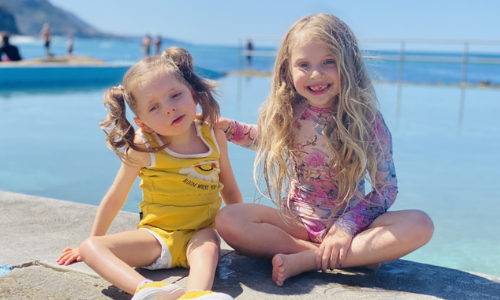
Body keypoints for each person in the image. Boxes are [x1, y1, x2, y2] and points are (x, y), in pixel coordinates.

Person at [215, 14, 434, 287]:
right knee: (228, 219)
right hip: (296, 224)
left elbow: (386, 188)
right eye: (304, 64)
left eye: (328, 62)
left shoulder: (367, 120)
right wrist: (229, 128)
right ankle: (340, 257)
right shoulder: (289, 112)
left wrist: (346, 228)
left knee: (421, 224)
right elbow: (265, 139)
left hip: (354, 227)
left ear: (349, 63)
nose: (316, 74)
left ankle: (308, 260)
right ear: (288, 70)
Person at [56, 47, 242, 300]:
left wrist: (240, 235)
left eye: (175, 95)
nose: (169, 108)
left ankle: (196, 295)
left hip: (200, 234)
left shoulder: (213, 135)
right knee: (90, 248)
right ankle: (146, 289)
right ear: (141, 122)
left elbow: (229, 187)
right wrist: (92, 239)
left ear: (194, 95)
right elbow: (115, 197)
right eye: (154, 108)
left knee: (208, 246)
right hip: (155, 238)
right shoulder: (144, 146)